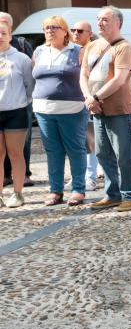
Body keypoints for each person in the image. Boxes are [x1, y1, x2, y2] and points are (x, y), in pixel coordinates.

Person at [81, 6, 131, 212]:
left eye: (105, 19)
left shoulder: (123, 47)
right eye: (98, 19)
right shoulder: (92, 46)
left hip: (117, 109)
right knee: (103, 154)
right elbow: (83, 75)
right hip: (96, 109)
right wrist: (89, 98)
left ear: (118, 23)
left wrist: (96, 97)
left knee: (123, 154)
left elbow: (120, 79)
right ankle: (112, 194)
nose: (100, 23)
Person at [31, 16, 87, 206]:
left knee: (75, 149)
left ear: (65, 31)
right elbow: (35, 77)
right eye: (46, 28)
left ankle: (78, 189)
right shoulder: (39, 51)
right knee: (53, 151)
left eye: (54, 27)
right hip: (43, 110)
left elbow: (86, 77)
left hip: (72, 109)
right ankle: (56, 191)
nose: (49, 31)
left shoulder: (77, 51)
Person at [0, 18, 33, 207]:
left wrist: (19, 101)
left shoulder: (21, 59)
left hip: (16, 112)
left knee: (15, 154)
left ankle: (18, 193)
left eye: (3, 33)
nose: (0, 37)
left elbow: (30, 86)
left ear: (10, 36)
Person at [70, 20, 98, 192]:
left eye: (80, 30)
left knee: (90, 141)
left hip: (89, 100)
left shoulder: (94, 49)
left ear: (89, 33)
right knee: (76, 141)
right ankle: (78, 175)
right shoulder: (72, 51)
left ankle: (90, 176)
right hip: (73, 101)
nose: (75, 33)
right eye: (73, 30)